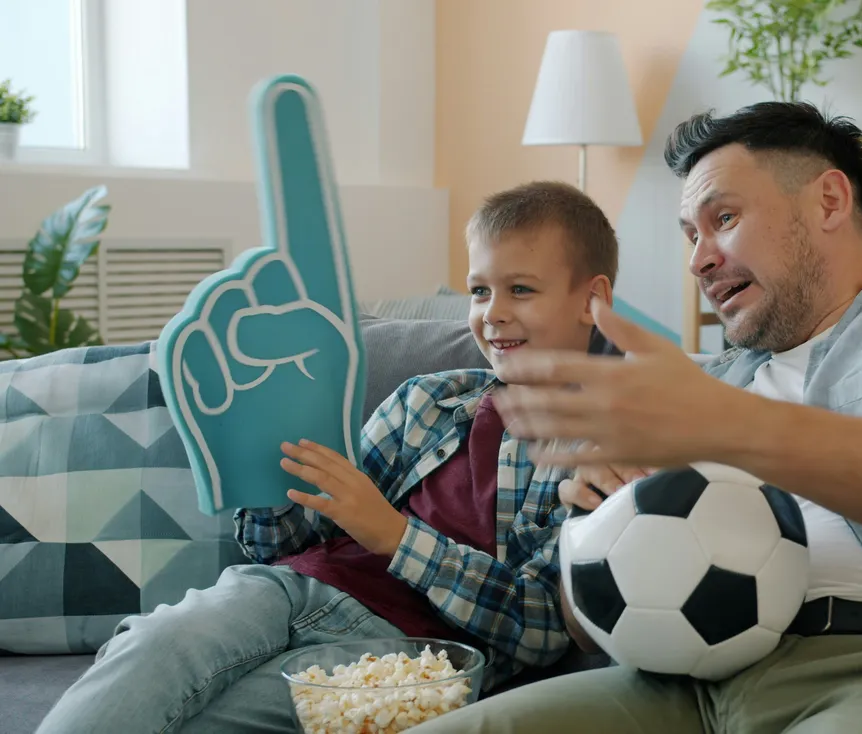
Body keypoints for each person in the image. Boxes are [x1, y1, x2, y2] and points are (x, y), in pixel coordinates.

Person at [409, 102, 862, 734]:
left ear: (830, 200)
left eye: (724, 219)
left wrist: (726, 422)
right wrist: (596, 526)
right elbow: (583, 631)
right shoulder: (713, 380)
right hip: (684, 679)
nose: (698, 258)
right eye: (689, 234)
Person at [37, 180, 619, 734]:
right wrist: (267, 479)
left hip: (410, 658)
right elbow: (287, 544)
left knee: (208, 719)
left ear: (591, 300)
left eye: (520, 289)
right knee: (153, 646)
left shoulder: (602, 451)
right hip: (288, 588)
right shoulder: (428, 399)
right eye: (478, 290)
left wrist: (395, 536)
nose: (492, 312)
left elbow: (541, 629)